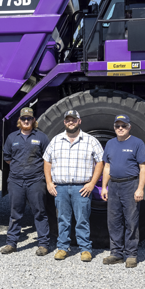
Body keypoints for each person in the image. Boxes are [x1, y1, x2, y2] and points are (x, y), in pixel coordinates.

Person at [43, 110, 104, 262]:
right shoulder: (56, 140)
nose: (71, 122)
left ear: (79, 121)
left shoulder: (90, 141)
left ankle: (85, 249)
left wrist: (92, 184)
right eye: (68, 120)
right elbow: (47, 161)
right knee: (63, 219)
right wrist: (49, 182)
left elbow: (100, 162)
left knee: (82, 219)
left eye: (74, 119)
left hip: (81, 188)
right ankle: (63, 248)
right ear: (64, 122)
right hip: (61, 187)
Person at [1, 107, 51, 256]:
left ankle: (43, 244)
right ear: (19, 121)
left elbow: (47, 159)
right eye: (24, 119)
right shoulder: (12, 138)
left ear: (34, 120)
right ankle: (11, 243)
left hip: (36, 181)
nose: (26, 121)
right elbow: (8, 158)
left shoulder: (41, 137)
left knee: (40, 212)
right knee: (15, 213)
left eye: (29, 118)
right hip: (16, 181)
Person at [101, 114, 145, 268]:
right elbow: (107, 167)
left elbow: (143, 167)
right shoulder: (110, 143)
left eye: (124, 126)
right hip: (114, 186)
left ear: (129, 127)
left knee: (131, 221)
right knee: (114, 221)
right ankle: (116, 253)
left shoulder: (137, 143)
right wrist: (104, 187)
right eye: (117, 126)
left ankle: (131, 254)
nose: (120, 128)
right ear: (114, 127)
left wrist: (140, 188)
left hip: (130, 185)